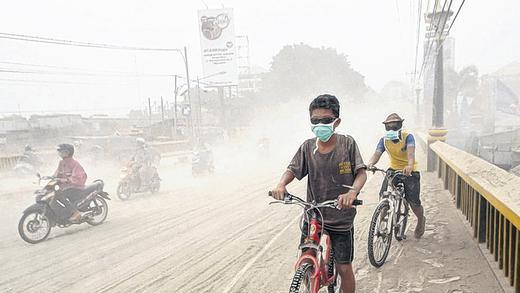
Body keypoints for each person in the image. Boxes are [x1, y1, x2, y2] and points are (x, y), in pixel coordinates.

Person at [270, 94, 367, 293]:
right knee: (306, 256)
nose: (320, 124)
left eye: (326, 120)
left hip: (341, 216)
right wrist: (281, 185)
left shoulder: (347, 144)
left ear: (336, 121)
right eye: (315, 121)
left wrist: (352, 193)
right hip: (314, 215)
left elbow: (361, 173)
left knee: (343, 267)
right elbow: (292, 170)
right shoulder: (307, 147)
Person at [366, 113, 426, 239]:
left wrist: (409, 166)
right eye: (389, 127)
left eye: (395, 126)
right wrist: (370, 164)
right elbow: (376, 154)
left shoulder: (408, 137)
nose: (392, 129)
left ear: (400, 126)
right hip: (393, 170)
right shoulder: (384, 140)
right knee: (383, 194)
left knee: (413, 202)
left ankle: (421, 220)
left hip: (409, 171)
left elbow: (411, 154)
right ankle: (383, 218)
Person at [53, 143, 88, 223]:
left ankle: (75, 212)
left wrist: (64, 180)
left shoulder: (75, 163)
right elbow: (56, 174)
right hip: (66, 187)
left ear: (67, 153)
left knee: (60, 195)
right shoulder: (61, 163)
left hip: (75, 187)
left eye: (61, 151)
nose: (60, 153)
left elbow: (77, 178)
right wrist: (49, 178)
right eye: (59, 151)